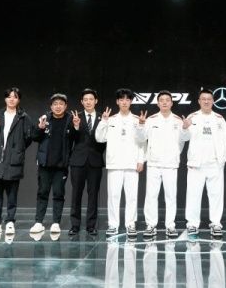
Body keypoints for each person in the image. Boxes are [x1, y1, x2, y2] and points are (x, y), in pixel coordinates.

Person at [95, 88, 146, 237]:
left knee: (132, 197)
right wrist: (104, 121)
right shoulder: (110, 120)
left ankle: (130, 224)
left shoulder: (137, 120)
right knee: (113, 196)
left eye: (127, 99)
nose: (124, 102)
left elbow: (142, 141)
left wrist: (141, 160)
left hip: (131, 164)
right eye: (121, 99)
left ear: (131, 102)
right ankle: (113, 225)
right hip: (115, 164)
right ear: (117, 102)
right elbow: (99, 138)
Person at [0, 87, 34, 236]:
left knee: (12, 194)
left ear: (19, 100)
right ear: (5, 98)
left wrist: (18, 150)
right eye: (9, 96)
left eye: (15, 97)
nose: (12, 99)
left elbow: (29, 138)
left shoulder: (23, 117)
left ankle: (10, 221)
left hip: (13, 161)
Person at [142, 90, 190, 238]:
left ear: (171, 103)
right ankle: (151, 225)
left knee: (170, 196)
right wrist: (140, 125)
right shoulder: (150, 120)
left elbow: (184, 139)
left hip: (170, 164)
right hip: (153, 164)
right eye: (161, 100)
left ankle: (170, 226)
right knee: (151, 196)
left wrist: (185, 128)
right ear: (158, 103)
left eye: (167, 100)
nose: (164, 102)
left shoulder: (178, 120)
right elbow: (141, 138)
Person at [184, 88, 226, 237]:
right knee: (193, 195)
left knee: (216, 195)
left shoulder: (219, 119)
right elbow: (184, 137)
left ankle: (216, 223)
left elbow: (225, 141)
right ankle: (192, 224)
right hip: (196, 164)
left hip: (215, 164)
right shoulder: (192, 117)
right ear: (199, 101)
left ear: (213, 101)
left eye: (209, 99)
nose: (206, 101)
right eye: (203, 99)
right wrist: (184, 128)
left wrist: (223, 158)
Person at [29, 93, 74, 235]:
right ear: (51, 106)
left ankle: (56, 223)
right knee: (42, 192)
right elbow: (34, 137)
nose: (58, 106)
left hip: (61, 165)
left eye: (61, 104)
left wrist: (76, 126)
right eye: (55, 104)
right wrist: (40, 128)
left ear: (65, 106)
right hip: (45, 164)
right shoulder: (45, 118)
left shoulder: (71, 120)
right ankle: (38, 222)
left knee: (58, 194)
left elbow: (76, 138)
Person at [68, 88, 106, 236]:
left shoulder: (103, 117)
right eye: (85, 99)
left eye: (91, 99)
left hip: (95, 161)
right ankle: (75, 225)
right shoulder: (75, 116)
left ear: (96, 101)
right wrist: (76, 126)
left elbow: (105, 140)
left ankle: (91, 225)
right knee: (76, 194)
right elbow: (70, 138)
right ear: (81, 102)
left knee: (93, 194)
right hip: (78, 161)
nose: (88, 102)